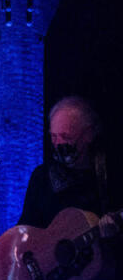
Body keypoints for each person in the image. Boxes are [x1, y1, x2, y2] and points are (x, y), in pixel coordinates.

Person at [17, 96, 120, 229]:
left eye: (66, 137)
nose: (58, 143)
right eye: (54, 136)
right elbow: (25, 229)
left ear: (88, 135)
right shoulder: (42, 176)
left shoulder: (110, 174)